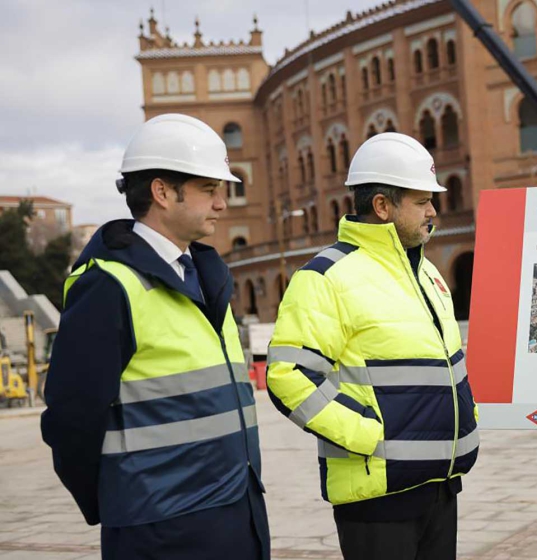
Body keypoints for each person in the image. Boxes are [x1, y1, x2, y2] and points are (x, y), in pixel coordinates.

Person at [40, 113, 269, 560]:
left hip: (237, 514)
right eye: (209, 189)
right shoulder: (107, 285)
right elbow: (70, 420)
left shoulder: (207, 276)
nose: (222, 204)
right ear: (163, 192)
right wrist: (124, 502)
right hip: (160, 532)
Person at [266, 132, 479, 560]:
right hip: (377, 495)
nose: (433, 211)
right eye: (422, 202)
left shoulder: (428, 275)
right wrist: (369, 434)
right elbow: (288, 376)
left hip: (440, 483)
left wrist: (465, 422)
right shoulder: (327, 276)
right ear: (383, 206)